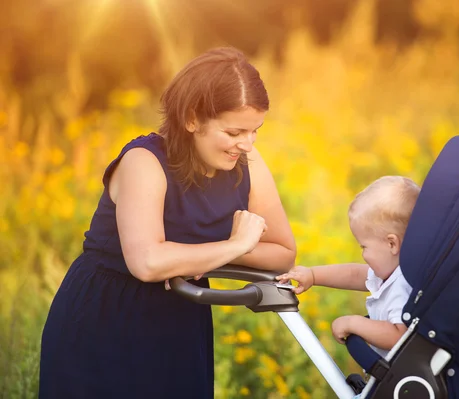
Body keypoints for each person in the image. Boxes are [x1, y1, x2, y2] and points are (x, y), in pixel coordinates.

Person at [39, 47, 296, 398]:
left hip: (180, 319)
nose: (247, 144)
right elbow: (147, 263)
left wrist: (190, 255)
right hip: (106, 319)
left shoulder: (247, 162)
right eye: (235, 131)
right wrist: (234, 245)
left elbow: (283, 252)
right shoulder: (144, 162)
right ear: (192, 119)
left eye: (255, 131)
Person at [276, 176, 419, 358]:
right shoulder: (392, 272)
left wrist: (354, 323)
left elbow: (400, 335)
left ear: (392, 244)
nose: (362, 254)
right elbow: (354, 274)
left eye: (364, 246)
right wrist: (313, 275)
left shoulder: (402, 285)